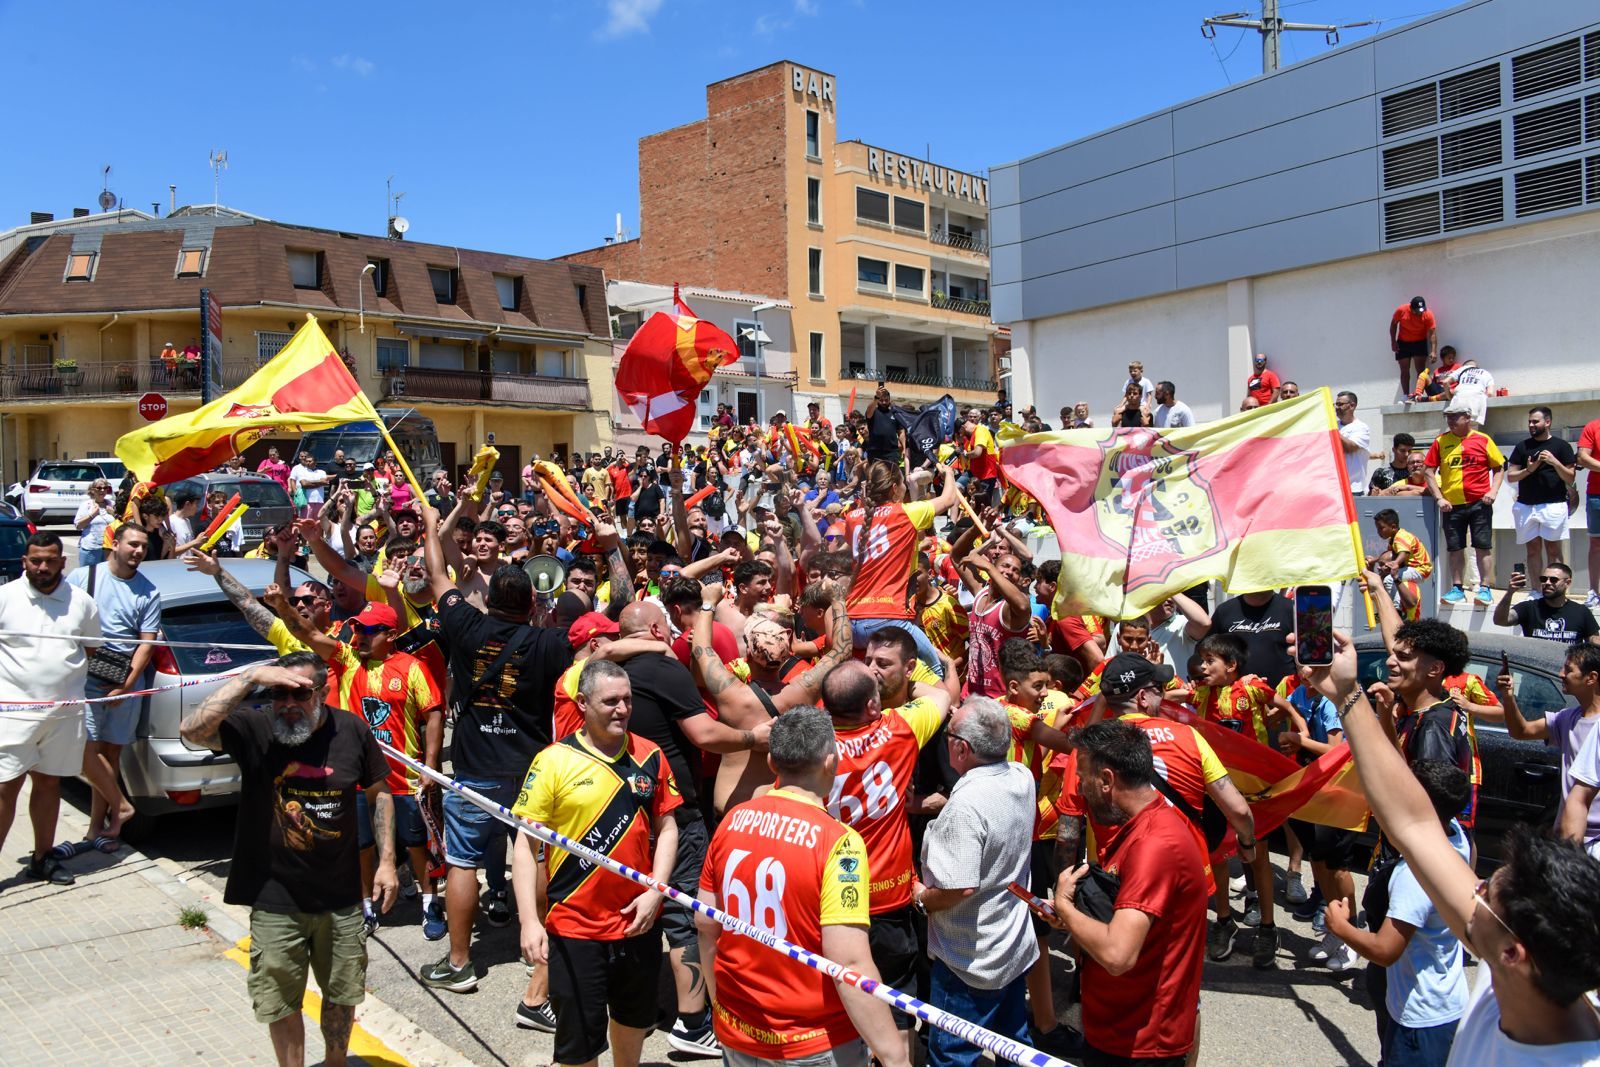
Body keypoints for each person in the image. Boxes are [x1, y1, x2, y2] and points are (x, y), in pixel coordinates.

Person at [1300, 628, 1600, 1066]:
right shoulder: (1520, 981)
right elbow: (1414, 822)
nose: (1470, 890)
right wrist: (1347, 695)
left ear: (1512, 953)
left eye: (1485, 894)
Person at [178, 652, 396, 1067]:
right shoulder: (256, 727)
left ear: (323, 691)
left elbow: (378, 791)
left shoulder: (351, 730)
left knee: (342, 992)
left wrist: (387, 862)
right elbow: (191, 730)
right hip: (275, 897)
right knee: (279, 1000)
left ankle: (335, 1063)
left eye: (299, 693)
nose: (288, 704)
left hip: (340, 897)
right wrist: (248, 677)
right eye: (278, 693)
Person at [697, 707, 911, 1067]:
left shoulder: (732, 820)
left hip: (738, 1025)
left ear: (771, 762)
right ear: (831, 762)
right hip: (814, 1040)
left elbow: (705, 923)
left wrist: (719, 1005)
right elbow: (850, 961)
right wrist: (895, 1056)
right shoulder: (839, 842)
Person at [417, 506, 574, 992]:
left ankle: (460, 963)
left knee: (464, 861)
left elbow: (437, 573)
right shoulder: (550, 642)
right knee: (535, 859)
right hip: (531, 769)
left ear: (489, 601)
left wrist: (430, 522)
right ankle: (540, 955)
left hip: (476, 766)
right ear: (531, 602)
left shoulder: (465, 624)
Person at [510, 660, 680, 1067]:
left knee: (632, 1019)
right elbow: (524, 846)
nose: (622, 709)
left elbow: (668, 827)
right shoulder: (552, 761)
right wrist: (529, 922)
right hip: (574, 927)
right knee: (579, 1043)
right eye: (610, 702)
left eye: (627, 700)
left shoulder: (650, 756)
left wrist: (656, 891)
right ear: (583, 703)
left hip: (637, 922)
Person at [265, 594, 445, 940]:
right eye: (357, 629)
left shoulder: (412, 667)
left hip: (402, 777)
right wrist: (281, 607)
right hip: (358, 777)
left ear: (390, 635)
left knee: (416, 843)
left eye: (370, 631)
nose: (360, 636)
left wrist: (430, 764)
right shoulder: (347, 660)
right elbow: (306, 633)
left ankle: (428, 903)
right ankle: (364, 907)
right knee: (360, 845)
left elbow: (434, 713)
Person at [1050, 720, 1208, 1067]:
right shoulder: (1140, 827)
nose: (1079, 787)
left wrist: (1064, 906)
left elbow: (1118, 954)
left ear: (1106, 780)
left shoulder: (1154, 844)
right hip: (1120, 1030)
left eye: (1083, 778)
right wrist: (1075, 920)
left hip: (1139, 1044)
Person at [821, 655, 948, 1061]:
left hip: (831, 899)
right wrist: (901, 682)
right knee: (897, 1002)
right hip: (889, 897)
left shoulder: (812, 748)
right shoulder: (900, 728)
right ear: (873, 706)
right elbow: (942, 695)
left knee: (840, 996)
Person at [912, 697, 1037, 1067]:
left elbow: (958, 887)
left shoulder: (965, 805)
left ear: (961, 748)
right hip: (1012, 945)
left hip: (968, 958)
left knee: (954, 1056)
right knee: (1014, 1044)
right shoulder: (1021, 776)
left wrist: (921, 897)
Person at [1326, 761, 1472, 1067]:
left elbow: (1385, 950)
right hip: (1447, 1000)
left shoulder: (1414, 875)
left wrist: (1341, 927)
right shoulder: (1456, 837)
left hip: (1419, 1016)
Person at [0, 532, 101, 886]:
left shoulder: (82, 602)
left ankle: (42, 858)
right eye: (35, 560)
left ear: (62, 561)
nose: (43, 567)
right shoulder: (5, 598)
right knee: (4, 788)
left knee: (48, 784)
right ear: (24, 562)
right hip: (12, 715)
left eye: (50, 560)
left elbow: (89, 650)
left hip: (63, 714)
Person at [66, 522, 160, 850]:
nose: (138, 551)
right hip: (85, 678)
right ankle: (121, 806)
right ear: (115, 544)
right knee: (86, 750)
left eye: (143, 547)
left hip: (124, 680)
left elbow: (146, 645)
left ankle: (102, 829)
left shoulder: (148, 591)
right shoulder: (84, 577)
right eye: (132, 544)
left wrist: (127, 686)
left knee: (109, 753)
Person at [1500, 643, 1600, 851]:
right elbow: (1522, 731)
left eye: (1569, 669)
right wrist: (1509, 697)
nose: (1561, 674)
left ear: (1591, 678)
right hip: (1569, 837)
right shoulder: (1567, 717)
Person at [1423, 401, 1504, 607]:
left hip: (1479, 503)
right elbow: (1428, 471)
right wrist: (1439, 497)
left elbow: (1499, 468)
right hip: (1452, 505)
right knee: (1455, 548)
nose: (1450, 420)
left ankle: (1485, 589)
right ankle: (1457, 588)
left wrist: (1493, 491)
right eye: (1448, 417)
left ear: (1468, 417)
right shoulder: (1441, 441)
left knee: (1482, 546)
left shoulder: (1483, 439)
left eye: (1455, 416)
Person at [1507, 406, 1577, 575]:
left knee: (1553, 550)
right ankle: (1536, 591)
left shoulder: (1562, 446)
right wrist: (1529, 469)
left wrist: (1555, 462)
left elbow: (1570, 477)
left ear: (1547, 422)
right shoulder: (1522, 446)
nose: (1531, 425)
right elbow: (1511, 476)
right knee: (1532, 550)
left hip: (1553, 505)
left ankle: (1555, 589)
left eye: (1535, 421)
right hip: (1526, 505)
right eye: (1529, 421)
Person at [1494, 563, 1599, 646]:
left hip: (1568, 671)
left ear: (1568, 583)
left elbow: (1593, 643)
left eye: (1553, 580)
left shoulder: (1581, 612)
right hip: (1537, 671)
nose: (1547, 583)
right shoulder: (1529, 608)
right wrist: (1510, 592)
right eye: (1544, 579)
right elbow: (1500, 620)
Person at [1205, 589, 1294, 684]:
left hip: (1286, 694)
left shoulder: (1292, 608)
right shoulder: (1225, 611)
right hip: (1234, 694)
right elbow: (1203, 652)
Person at [1371, 508, 1433, 619]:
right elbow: (1391, 554)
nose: (1378, 532)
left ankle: (1396, 610)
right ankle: (1392, 607)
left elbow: (1403, 552)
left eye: (1381, 528)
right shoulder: (1393, 539)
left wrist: (1395, 563)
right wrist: (1374, 560)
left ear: (1393, 527)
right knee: (1387, 579)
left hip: (1420, 568)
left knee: (1389, 579)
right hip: (1412, 569)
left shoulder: (1401, 537)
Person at [1390, 295, 1437, 396]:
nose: (1420, 313)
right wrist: (1393, 342)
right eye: (1417, 311)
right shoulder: (1401, 310)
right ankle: (1405, 395)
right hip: (1403, 342)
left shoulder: (1428, 314)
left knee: (1421, 371)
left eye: (1421, 310)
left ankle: (1418, 394)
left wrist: (1433, 350)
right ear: (1411, 308)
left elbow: (1432, 333)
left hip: (1420, 342)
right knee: (1404, 369)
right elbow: (1393, 325)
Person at [1578, 413, 1600, 608]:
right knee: (1596, 543)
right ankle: (1594, 592)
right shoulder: (1593, 426)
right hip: (1597, 494)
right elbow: (1583, 457)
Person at [74, 477, 115, 569]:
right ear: (92, 490)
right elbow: (78, 526)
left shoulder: (111, 504)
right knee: (88, 578)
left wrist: (113, 513)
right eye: (99, 488)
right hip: (91, 548)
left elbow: (121, 522)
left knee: (105, 577)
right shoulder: (87, 505)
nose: (102, 490)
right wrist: (92, 515)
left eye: (105, 488)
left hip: (108, 548)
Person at [1335, 390, 1372, 495]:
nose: (1337, 408)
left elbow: (1350, 448)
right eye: (1335, 404)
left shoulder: (1361, 427)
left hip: (1353, 488)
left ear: (1352, 406)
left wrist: (1333, 431)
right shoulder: (1334, 425)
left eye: (1340, 404)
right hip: (1334, 487)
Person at [289, 451, 328, 520]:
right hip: (306, 501)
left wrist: (310, 482)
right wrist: (319, 482)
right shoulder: (300, 471)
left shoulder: (322, 472)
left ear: (315, 462)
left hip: (319, 501)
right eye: (307, 461)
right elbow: (303, 484)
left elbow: (324, 482)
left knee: (318, 524)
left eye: (309, 461)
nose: (307, 462)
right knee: (306, 523)